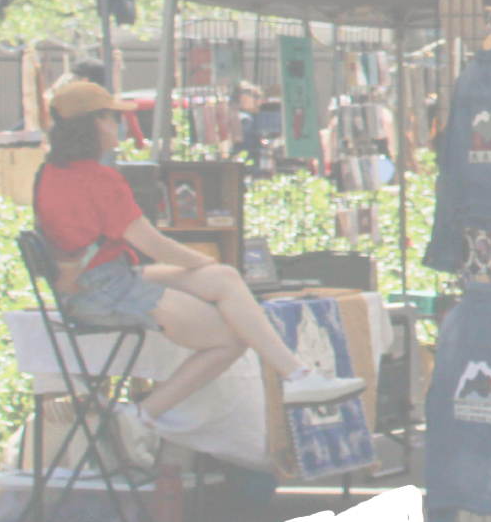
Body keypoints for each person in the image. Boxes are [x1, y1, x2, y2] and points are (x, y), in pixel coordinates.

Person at [30, 81, 367, 462]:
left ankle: (299, 377)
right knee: (231, 339)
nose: (120, 125)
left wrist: (209, 268)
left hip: (87, 285)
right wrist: (199, 261)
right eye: (112, 117)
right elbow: (153, 245)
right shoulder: (101, 179)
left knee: (224, 278)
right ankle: (143, 415)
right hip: (103, 291)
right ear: (94, 124)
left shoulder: (48, 174)